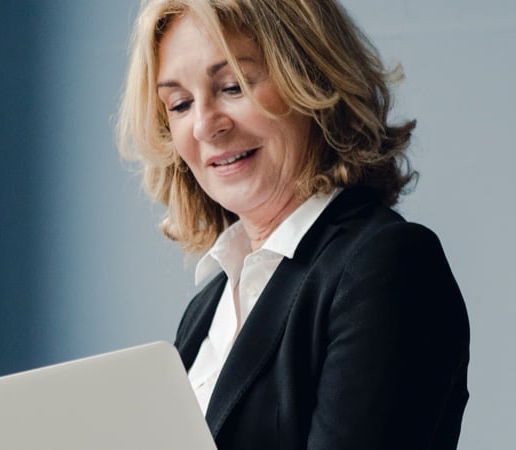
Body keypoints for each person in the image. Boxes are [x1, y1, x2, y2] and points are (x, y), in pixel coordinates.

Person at [116, 0, 469, 448]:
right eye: (180, 104)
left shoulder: (388, 266)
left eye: (233, 86)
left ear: (311, 79)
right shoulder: (210, 303)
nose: (205, 125)